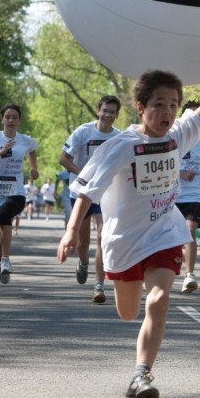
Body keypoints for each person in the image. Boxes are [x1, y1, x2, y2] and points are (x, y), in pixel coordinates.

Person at [56, 26, 200, 398]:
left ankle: (141, 375)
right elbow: (87, 191)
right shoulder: (121, 145)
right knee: (127, 313)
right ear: (140, 107)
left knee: (158, 299)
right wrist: (71, 232)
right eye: (159, 104)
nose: (167, 112)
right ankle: (136, 345)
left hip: (164, 233)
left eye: (173, 104)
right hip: (124, 240)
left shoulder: (178, 135)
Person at [60, 95, 122, 304]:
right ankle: (83, 261)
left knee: (103, 236)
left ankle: (99, 285)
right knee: (83, 242)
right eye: (105, 111)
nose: (107, 115)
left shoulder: (119, 137)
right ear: (98, 111)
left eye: (112, 112)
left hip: (105, 193)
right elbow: (63, 158)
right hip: (82, 192)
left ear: (117, 115)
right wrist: (84, 175)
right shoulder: (83, 131)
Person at [0, 104, 39, 282]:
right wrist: (1, 152)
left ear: (19, 120)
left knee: (4, 215)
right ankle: (1, 263)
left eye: (14, 117)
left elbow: (32, 150)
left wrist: (34, 168)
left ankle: (5, 259)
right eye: (8, 117)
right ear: (2, 119)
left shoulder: (25, 140)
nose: (11, 120)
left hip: (16, 190)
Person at [175, 99, 200, 293]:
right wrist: (180, 174)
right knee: (169, 236)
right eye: (190, 115)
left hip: (194, 194)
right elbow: (161, 164)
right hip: (172, 193)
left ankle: (189, 275)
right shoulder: (173, 137)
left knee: (190, 230)